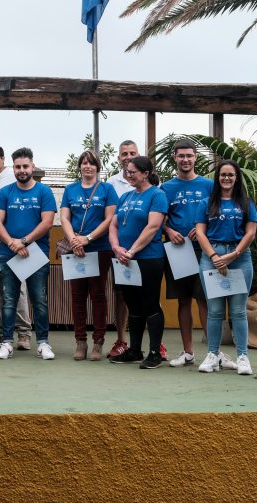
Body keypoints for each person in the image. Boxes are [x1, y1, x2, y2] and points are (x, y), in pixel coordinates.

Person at [0, 147, 57, 360]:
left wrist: (25, 241)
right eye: (18, 166)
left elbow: (47, 222)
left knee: (39, 300)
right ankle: (7, 343)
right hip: (9, 253)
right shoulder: (5, 193)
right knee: (9, 299)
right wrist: (12, 243)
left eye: (25, 166)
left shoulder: (44, 192)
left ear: (32, 166)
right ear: (13, 168)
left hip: (36, 253)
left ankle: (43, 344)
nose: (22, 170)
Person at [195, 159, 257, 376]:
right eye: (223, 175)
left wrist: (233, 255)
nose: (227, 178)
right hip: (210, 257)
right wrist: (213, 255)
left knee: (239, 311)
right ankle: (213, 355)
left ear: (237, 177)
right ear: (217, 177)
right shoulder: (207, 203)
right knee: (215, 311)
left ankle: (243, 356)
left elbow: (250, 233)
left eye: (231, 175)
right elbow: (200, 232)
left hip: (239, 257)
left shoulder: (247, 203)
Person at [108, 156, 168, 369]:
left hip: (148, 258)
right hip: (124, 260)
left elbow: (153, 227)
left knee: (150, 304)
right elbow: (113, 225)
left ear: (145, 173)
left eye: (133, 171)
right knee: (132, 304)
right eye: (127, 171)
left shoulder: (157, 195)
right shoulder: (125, 197)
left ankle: (154, 352)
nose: (129, 174)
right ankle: (134, 350)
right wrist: (116, 248)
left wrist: (132, 251)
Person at [60, 149, 117, 360]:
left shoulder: (107, 189)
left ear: (97, 167)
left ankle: (98, 342)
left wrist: (88, 238)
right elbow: (65, 217)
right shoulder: (70, 189)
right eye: (83, 163)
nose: (87, 166)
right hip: (75, 249)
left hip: (99, 248)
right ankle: (80, 342)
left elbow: (109, 219)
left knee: (98, 294)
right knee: (77, 297)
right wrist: (74, 240)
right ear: (79, 166)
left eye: (91, 163)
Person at [160, 138, 212, 367]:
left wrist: (201, 230)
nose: (185, 159)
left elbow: (216, 214)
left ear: (196, 157)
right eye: (181, 156)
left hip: (203, 250)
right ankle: (188, 353)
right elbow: (158, 219)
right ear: (175, 158)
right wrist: (169, 231)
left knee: (204, 300)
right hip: (178, 251)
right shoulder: (166, 188)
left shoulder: (209, 186)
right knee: (183, 301)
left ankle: (213, 353)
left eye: (189, 155)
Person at [0, 143, 33, 349]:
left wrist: (16, 242)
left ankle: (23, 334)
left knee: (17, 289)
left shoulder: (13, 180)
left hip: (10, 243)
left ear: (3, 160)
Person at [105, 140, 137, 359]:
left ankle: (153, 342)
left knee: (148, 295)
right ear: (118, 158)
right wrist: (117, 246)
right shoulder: (111, 183)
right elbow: (111, 220)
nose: (128, 156)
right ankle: (121, 340)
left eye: (132, 153)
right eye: (124, 153)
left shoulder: (152, 180)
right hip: (119, 250)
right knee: (121, 294)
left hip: (145, 249)